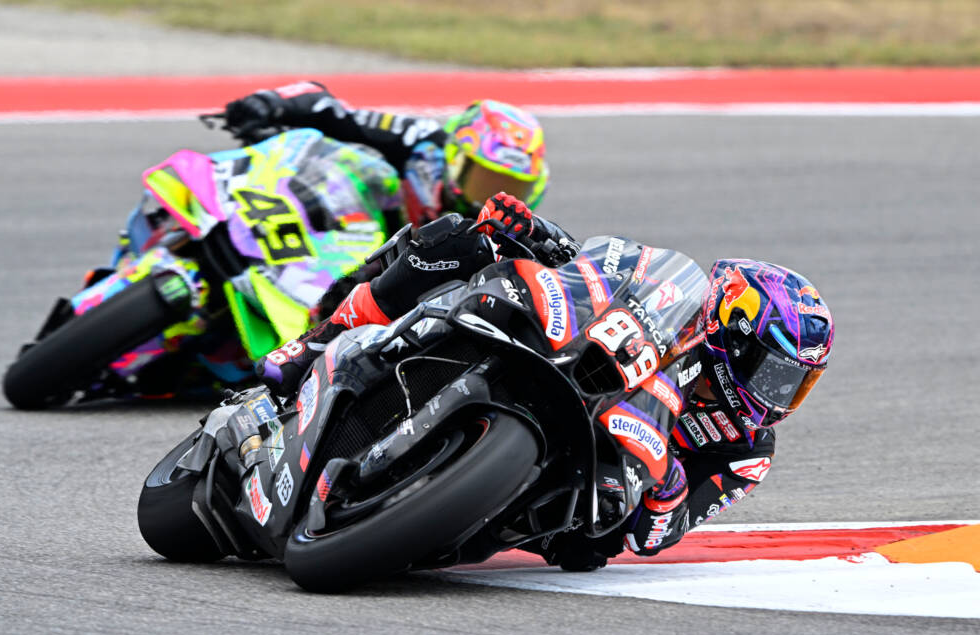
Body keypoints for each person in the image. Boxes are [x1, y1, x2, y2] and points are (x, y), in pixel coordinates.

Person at [256, 193, 835, 571]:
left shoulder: (748, 449)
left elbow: (660, 536)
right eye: (777, 373)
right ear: (728, 333)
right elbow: (594, 267)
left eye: (797, 383)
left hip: (583, 496)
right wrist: (528, 228)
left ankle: (414, 506)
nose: (780, 396)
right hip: (565, 368)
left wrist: (668, 480)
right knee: (463, 237)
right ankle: (323, 336)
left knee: (587, 550)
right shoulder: (673, 309)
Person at [223, 82, 550, 229]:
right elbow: (327, 106)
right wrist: (269, 103)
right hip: (336, 236)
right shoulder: (422, 140)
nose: (491, 198)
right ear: (455, 158)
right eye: (486, 180)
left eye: (511, 188)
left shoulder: (510, 233)